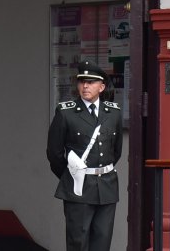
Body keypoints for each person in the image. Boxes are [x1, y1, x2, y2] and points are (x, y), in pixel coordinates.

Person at [46, 61, 123, 251]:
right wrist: (72, 175)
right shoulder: (66, 112)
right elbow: (54, 153)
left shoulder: (113, 112)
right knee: (78, 241)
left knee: (102, 241)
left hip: (106, 186)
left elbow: (116, 150)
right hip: (78, 187)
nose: (85, 86)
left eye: (90, 82)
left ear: (102, 86)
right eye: (81, 82)